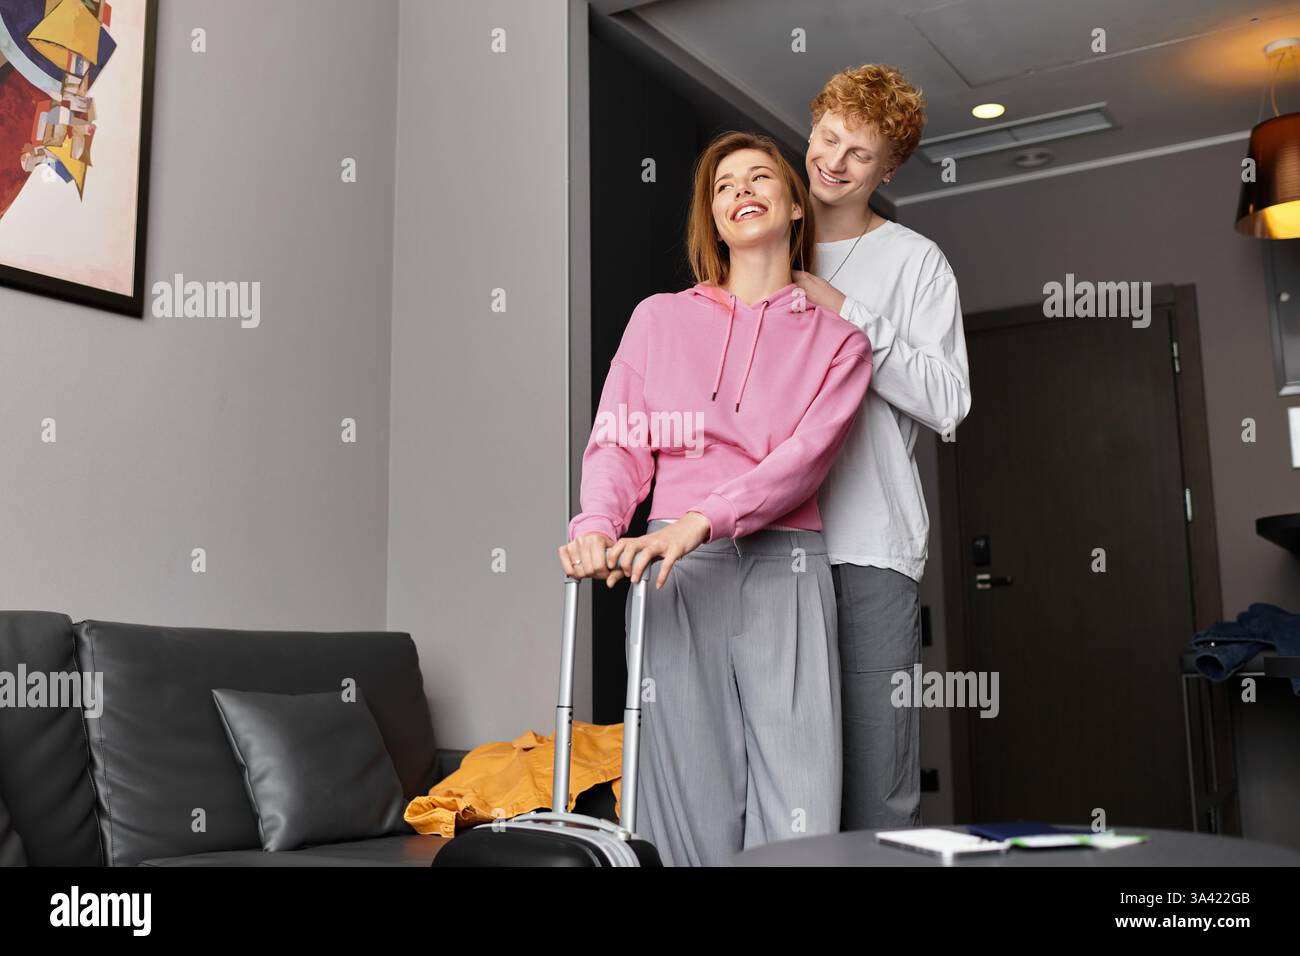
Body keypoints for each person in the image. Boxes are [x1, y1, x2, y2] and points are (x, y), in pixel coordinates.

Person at [559, 131, 873, 866]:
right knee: (680, 794)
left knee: (799, 795)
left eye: (760, 177)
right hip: (672, 572)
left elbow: (803, 460)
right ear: (713, 216)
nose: (741, 192)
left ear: (796, 205)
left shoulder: (839, 342)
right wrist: (597, 525)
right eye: (724, 186)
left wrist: (703, 521)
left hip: (784, 568)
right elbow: (619, 439)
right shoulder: (660, 319)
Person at [792, 64, 972, 830]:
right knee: (787, 770)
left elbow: (948, 401)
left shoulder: (915, 262)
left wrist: (844, 310)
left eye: (858, 153)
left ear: (888, 169)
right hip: (771, 547)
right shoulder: (762, 237)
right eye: (828, 136)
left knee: (876, 778)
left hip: (868, 547)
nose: (834, 160)